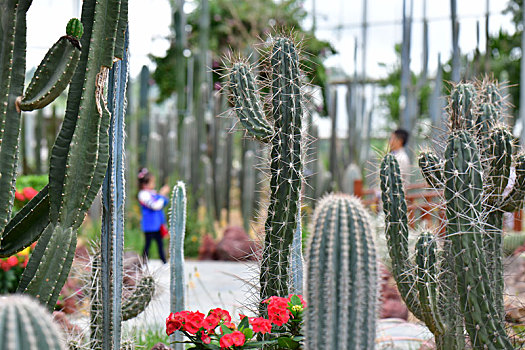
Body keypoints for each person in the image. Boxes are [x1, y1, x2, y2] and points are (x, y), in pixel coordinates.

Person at [137, 168, 170, 263]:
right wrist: (162, 194)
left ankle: (164, 261)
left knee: (160, 244)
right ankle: (143, 261)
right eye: (152, 182)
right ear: (145, 184)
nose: (154, 184)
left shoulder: (152, 193)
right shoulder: (143, 194)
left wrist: (162, 196)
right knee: (148, 244)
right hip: (149, 225)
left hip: (157, 224)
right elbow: (155, 206)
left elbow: (163, 202)